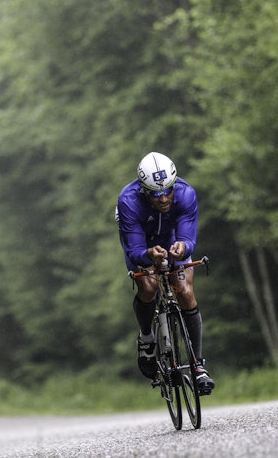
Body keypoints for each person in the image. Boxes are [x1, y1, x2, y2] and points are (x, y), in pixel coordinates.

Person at [115, 151, 215, 394]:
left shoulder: (186, 193)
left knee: (184, 290)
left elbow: (187, 238)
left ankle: (198, 366)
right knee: (149, 286)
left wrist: (183, 248)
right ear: (144, 190)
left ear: (174, 184)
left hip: (171, 239)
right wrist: (149, 255)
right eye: (155, 193)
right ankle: (147, 338)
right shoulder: (128, 200)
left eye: (167, 191)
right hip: (143, 243)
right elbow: (135, 250)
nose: (163, 198)